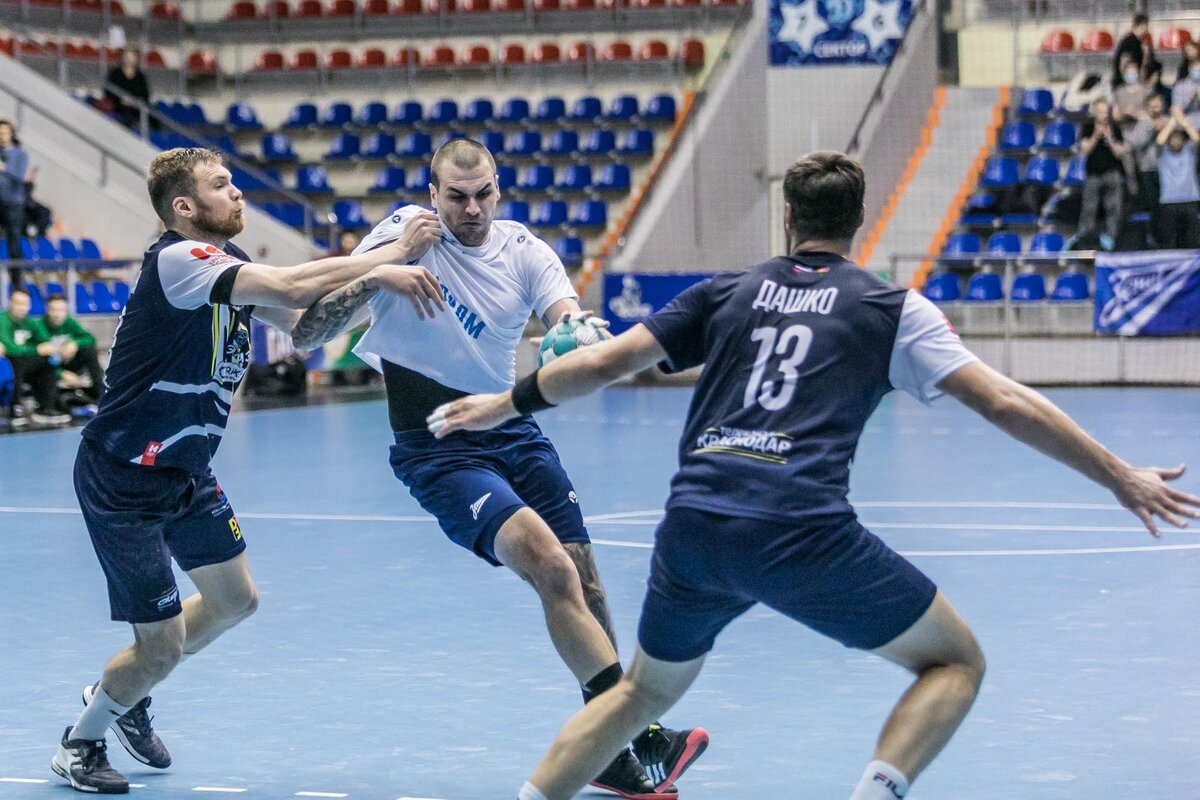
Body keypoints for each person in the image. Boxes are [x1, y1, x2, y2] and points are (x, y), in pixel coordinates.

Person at [424, 150, 1200, 800]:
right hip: (800, 529)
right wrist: (1117, 475)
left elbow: (603, 363)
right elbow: (1003, 401)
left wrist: (503, 403)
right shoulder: (891, 309)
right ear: (859, 220)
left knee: (638, 695)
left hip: (694, 527)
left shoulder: (726, 291)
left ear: (787, 216)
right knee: (955, 662)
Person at [289, 138, 708, 799]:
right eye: (456, 197)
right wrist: (380, 272)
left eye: (483, 193)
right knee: (550, 565)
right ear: (433, 195)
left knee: (586, 582)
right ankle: (643, 735)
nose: (472, 208)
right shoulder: (403, 235)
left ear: (498, 189)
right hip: (437, 447)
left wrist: (575, 330)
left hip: (512, 430)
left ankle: (604, 752)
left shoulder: (523, 250)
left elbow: (563, 315)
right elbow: (306, 334)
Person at [52, 146, 445, 794]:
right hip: (123, 478)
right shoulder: (180, 261)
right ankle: (81, 740)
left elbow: (306, 326)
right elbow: (292, 286)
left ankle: (130, 689)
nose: (237, 192)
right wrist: (391, 253)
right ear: (184, 206)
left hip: (185, 468)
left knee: (236, 601)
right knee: (161, 646)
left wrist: (378, 285)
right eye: (221, 184)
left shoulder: (225, 265)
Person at [0, 286, 71, 425]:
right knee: (17, 360)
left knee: (48, 360)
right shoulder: (3, 320)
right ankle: (14, 407)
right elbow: (10, 349)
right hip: (7, 365)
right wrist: (36, 349)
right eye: (18, 303)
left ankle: (46, 408)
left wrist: (61, 347)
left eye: (25, 304)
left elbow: (47, 343)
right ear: (10, 303)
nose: (21, 307)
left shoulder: (31, 323)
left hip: (25, 364)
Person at [1075, 100, 1127, 251]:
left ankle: (1111, 242)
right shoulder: (1087, 127)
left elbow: (1120, 152)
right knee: (1089, 209)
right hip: (1093, 174)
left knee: (1114, 209)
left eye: (1105, 112)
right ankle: (1085, 241)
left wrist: (1109, 138)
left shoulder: (1115, 127)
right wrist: (1096, 136)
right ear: (1094, 112)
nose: (1103, 115)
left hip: (1112, 173)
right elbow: (1084, 150)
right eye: (1100, 112)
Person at [43, 293, 105, 408]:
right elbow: (38, 358)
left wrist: (74, 343)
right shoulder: (40, 327)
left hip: (68, 361)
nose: (57, 314)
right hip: (50, 367)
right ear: (47, 310)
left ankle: (100, 394)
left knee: (89, 350)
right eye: (53, 310)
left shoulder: (69, 322)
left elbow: (90, 339)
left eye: (61, 310)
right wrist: (61, 374)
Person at [1154, 107, 1200, 249]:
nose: (1176, 141)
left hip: (1189, 199)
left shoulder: (1189, 151)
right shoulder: (1163, 153)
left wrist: (1183, 120)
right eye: (1173, 138)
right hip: (1169, 201)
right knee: (1170, 241)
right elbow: (1160, 140)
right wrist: (1173, 121)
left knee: (1192, 240)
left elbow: (1196, 138)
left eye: (1179, 138)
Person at [1127, 93, 1170, 238]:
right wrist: (1151, 130)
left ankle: (1169, 236)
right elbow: (1135, 143)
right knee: (1154, 206)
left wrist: (1165, 129)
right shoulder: (1143, 125)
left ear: (1162, 106)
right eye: (1152, 107)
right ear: (1147, 108)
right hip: (1148, 171)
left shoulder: (1169, 122)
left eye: (1157, 106)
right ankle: (1155, 236)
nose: (1155, 109)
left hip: (1167, 171)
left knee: (1168, 206)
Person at [0, 118, 30, 289]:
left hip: (13, 205)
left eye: (4, 132)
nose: (1, 135)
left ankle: (17, 282)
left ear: (11, 134)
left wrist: (5, 168)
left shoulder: (20, 154)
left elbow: (20, 177)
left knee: (14, 243)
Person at [104, 49, 151, 131]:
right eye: (126, 57)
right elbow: (108, 91)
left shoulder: (140, 76)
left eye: (131, 57)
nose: (129, 59)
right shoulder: (115, 73)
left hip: (136, 106)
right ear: (122, 58)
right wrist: (121, 99)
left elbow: (145, 94)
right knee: (127, 115)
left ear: (136, 59)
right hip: (119, 105)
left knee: (151, 115)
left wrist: (136, 101)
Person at [1113, 13, 1152, 82]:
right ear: (1143, 25)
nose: (1147, 29)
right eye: (1146, 25)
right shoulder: (1131, 42)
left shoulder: (1137, 42)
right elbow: (1125, 63)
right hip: (1126, 83)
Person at [1172, 53, 1200, 124]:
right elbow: (1177, 108)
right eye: (1194, 68)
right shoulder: (1180, 86)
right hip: (1188, 121)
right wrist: (1189, 98)